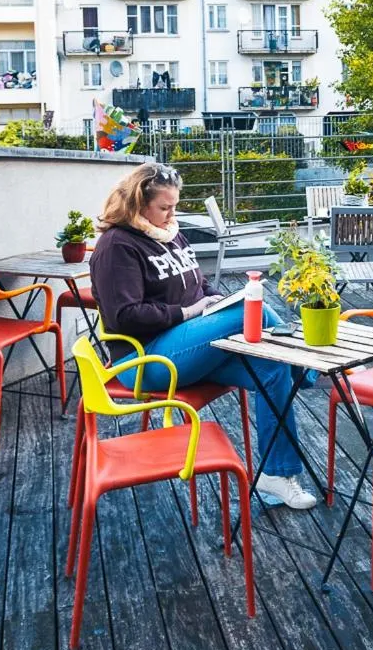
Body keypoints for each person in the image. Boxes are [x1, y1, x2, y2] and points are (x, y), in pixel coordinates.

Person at [89, 163, 316, 509]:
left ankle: (275, 475)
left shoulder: (170, 235)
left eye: (174, 206)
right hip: (145, 360)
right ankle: (313, 369)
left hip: (191, 348)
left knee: (273, 368)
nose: (171, 214)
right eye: (164, 208)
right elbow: (123, 317)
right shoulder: (117, 246)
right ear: (138, 204)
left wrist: (215, 300)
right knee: (249, 311)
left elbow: (198, 284)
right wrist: (189, 313)